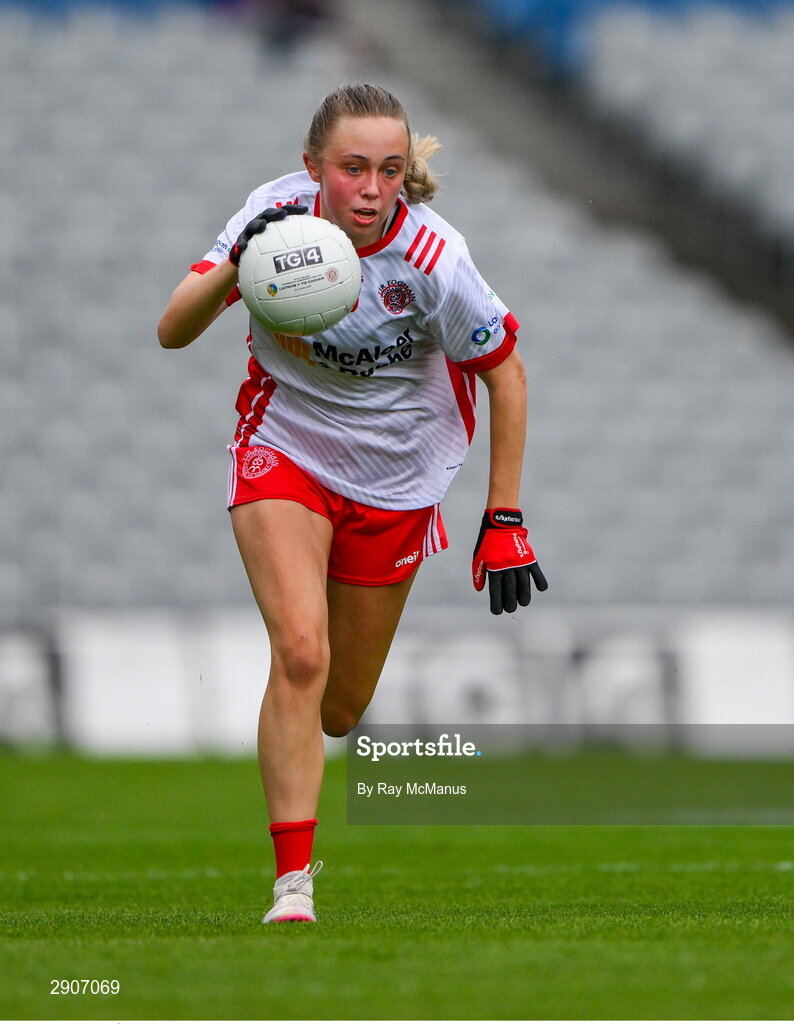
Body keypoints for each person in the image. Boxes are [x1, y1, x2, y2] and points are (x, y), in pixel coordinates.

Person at [157, 83, 547, 925]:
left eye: (390, 171)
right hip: (286, 446)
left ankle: (309, 798)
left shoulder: (435, 260)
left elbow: (506, 374)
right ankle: (292, 887)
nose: (372, 189)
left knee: (340, 706)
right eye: (353, 168)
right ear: (314, 169)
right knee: (301, 652)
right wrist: (236, 261)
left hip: (397, 478)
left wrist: (505, 517)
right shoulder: (273, 220)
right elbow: (172, 329)